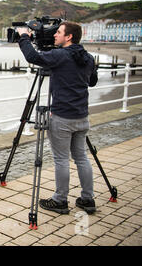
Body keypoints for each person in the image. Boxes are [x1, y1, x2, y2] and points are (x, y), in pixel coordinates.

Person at [17, 21, 98, 214]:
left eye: (59, 32)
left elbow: (32, 56)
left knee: (61, 159)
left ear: (69, 36)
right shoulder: (87, 57)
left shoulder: (60, 55)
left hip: (62, 117)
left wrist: (24, 37)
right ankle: (88, 199)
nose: (54, 35)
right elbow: (92, 81)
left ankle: (60, 200)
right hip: (82, 116)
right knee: (81, 157)